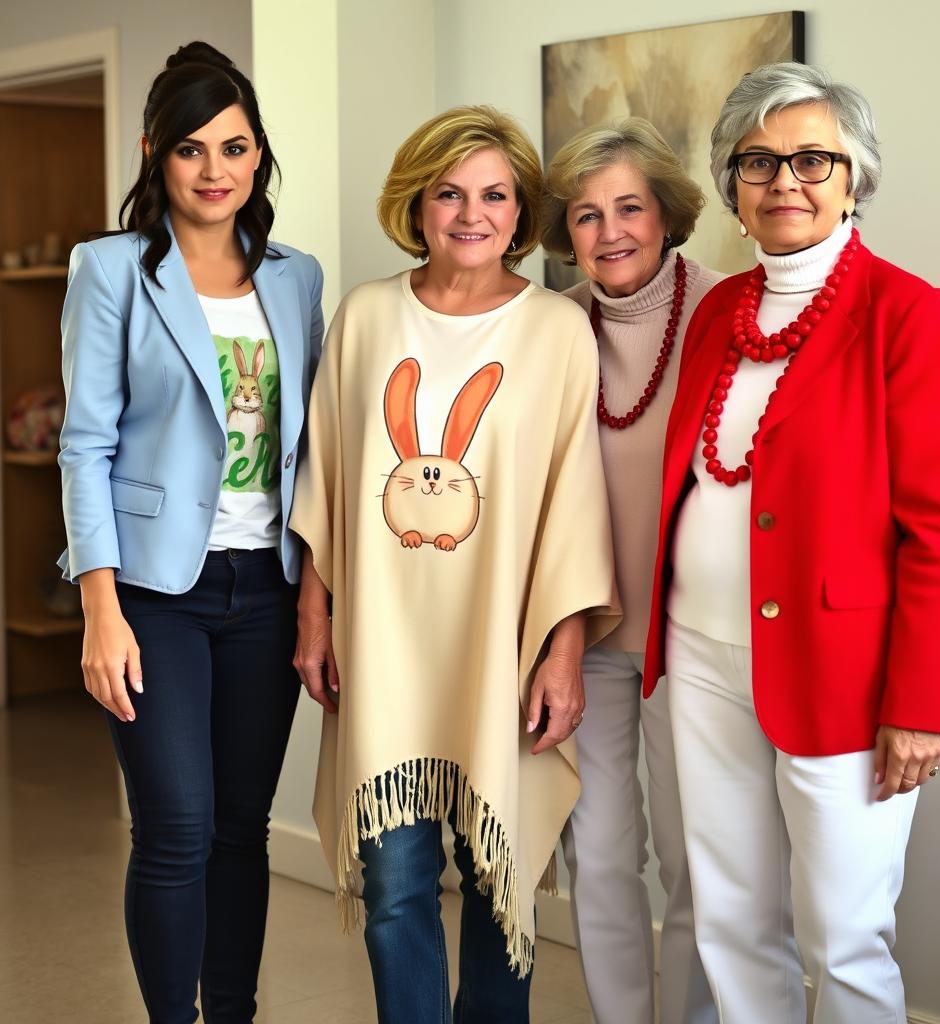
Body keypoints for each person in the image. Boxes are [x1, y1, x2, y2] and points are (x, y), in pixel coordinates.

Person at [643, 62, 940, 1022]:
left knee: (844, 931)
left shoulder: (906, 313)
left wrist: (919, 701)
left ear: (853, 177)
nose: (786, 180)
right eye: (759, 162)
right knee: (733, 918)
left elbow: (939, 526)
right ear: (734, 190)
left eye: (812, 159)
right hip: (702, 658)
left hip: (845, 672)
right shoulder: (718, 312)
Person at [289, 105, 620, 1024]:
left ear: (520, 212)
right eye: (450, 193)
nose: (472, 214)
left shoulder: (557, 331)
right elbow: (329, 480)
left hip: (499, 652)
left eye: (495, 195)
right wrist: (315, 620)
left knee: (492, 881)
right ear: (418, 203)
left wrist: (561, 653)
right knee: (396, 886)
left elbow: (573, 504)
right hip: (381, 646)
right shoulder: (364, 316)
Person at [58, 42, 324, 1024]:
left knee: (240, 831)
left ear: (258, 156)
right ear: (153, 155)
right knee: (175, 826)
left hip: (267, 588)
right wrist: (100, 608)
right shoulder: (114, 269)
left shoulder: (296, 279)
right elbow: (83, 445)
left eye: (235, 147)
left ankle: (233, 1014)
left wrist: (317, 599)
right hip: (153, 597)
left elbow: (310, 452)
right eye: (191, 149)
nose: (215, 170)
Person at [541, 118, 718, 1024]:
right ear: (563, 231)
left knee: (697, 856)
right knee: (601, 853)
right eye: (585, 214)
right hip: (587, 638)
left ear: (667, 214)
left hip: (696, 644)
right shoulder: (548, 326)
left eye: (629, 208)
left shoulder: (725, 313)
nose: (610, 232)